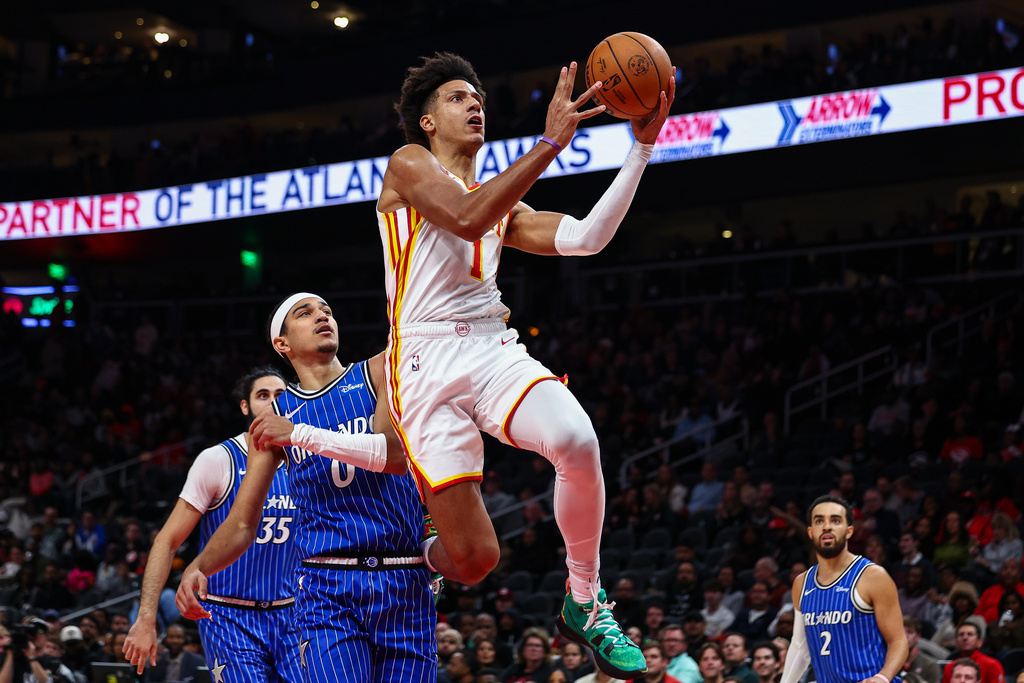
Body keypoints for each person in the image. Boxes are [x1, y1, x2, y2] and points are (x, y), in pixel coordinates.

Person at [377, 51, 674, 680]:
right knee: (476, 559)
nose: (474, 104)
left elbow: (588, 238)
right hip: (424, 362)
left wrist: (641, 149)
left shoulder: (501, 204)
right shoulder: (408, 164)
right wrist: (550, 143)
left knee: (577, 439)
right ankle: (413, 552)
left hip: (491, 347)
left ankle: (585, 599)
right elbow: (465, 217)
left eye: (478, 97)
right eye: (457, 97)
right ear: (427, 122)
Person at [175, 293, 437, 682]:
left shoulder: (381, 370)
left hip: (403, 576)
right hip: (326, 584)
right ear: (282, 343)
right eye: (305, 313)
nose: (321, 316)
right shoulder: (275, 418)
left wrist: (301, 434)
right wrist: (199, 567)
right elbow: (243, 523)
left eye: (327, 311)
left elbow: (395, 456)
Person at [123, 366, 299, 682]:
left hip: (292, 614)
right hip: (228, 616)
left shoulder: (306, 458)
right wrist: (146, 618)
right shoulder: (218, 459)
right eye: (262, 395)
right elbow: (166, 540)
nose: (273, 402)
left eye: (280, 394)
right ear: (245, 406)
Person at [779, 495, 908, 683]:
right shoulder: (802, 583)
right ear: (811, 532)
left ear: (849, 531)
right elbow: (800, 648)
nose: (827, 526)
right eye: (819, 521)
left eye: (835, 520)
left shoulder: (873, 576)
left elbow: (898, 641)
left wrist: (882, 677)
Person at [903, 617, 941, 683]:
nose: (905, 636)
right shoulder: (887, 660)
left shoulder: (930, 665)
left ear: (918, 637)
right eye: (901, 632)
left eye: (910, 632)